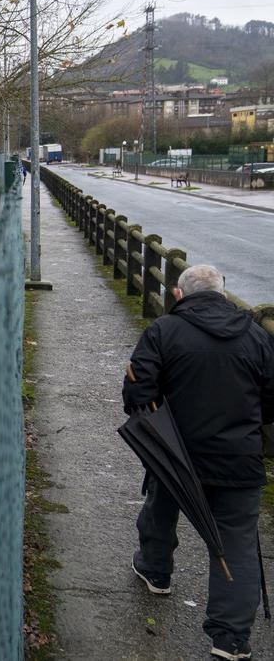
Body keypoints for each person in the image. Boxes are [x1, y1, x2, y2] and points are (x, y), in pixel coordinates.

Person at [123, 264, 274, 661]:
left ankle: (156, 571)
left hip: (177, 450)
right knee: (236, 542)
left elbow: (138, 388)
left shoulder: (164, 331)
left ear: (178, 294)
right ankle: (230, 638)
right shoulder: (257, 337)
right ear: (223, 294)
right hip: (238, 459)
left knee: (161, 502)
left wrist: (156, 421)